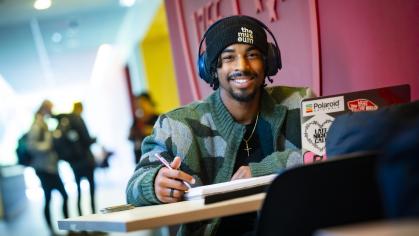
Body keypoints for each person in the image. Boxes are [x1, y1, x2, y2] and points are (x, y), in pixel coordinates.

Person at [126, 15, 304, 235]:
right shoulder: (179, 125)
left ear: (268, 61)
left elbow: (328, 154)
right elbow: (134, 187)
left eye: (252, 55)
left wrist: (262, 170)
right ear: (210, 68)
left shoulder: (299, 104)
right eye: (229, 58)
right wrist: (154, 183)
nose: (242, 66)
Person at [27, 99, 69, 234]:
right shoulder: (37, 125)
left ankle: (66, 228)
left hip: (50, 167)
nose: (52, 112)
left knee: (61, 196)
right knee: (50, 198)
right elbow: (32, 147)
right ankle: (53, 230)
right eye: (50, 109)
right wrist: (48, 144)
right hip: (44, 169)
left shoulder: (42, 123)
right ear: (45, 109)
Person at [54, 101, 97, 215]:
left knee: (78, 191)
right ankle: (94, 217)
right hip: (86, 161)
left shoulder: (65, 121)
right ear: (80, 108)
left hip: (74, 163)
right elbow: (86, 140)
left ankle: (80, 219)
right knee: (91, 190)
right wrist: (94, 140)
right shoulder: (78, 120)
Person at [128, 92, 159, 164]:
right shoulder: (137, 121)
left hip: (154, 159)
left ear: (149, 103)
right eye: (138, 104)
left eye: (142, 103)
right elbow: (129, 137)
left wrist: (149, 130)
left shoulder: (158, 118)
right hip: (139, 160)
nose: (140, 106)